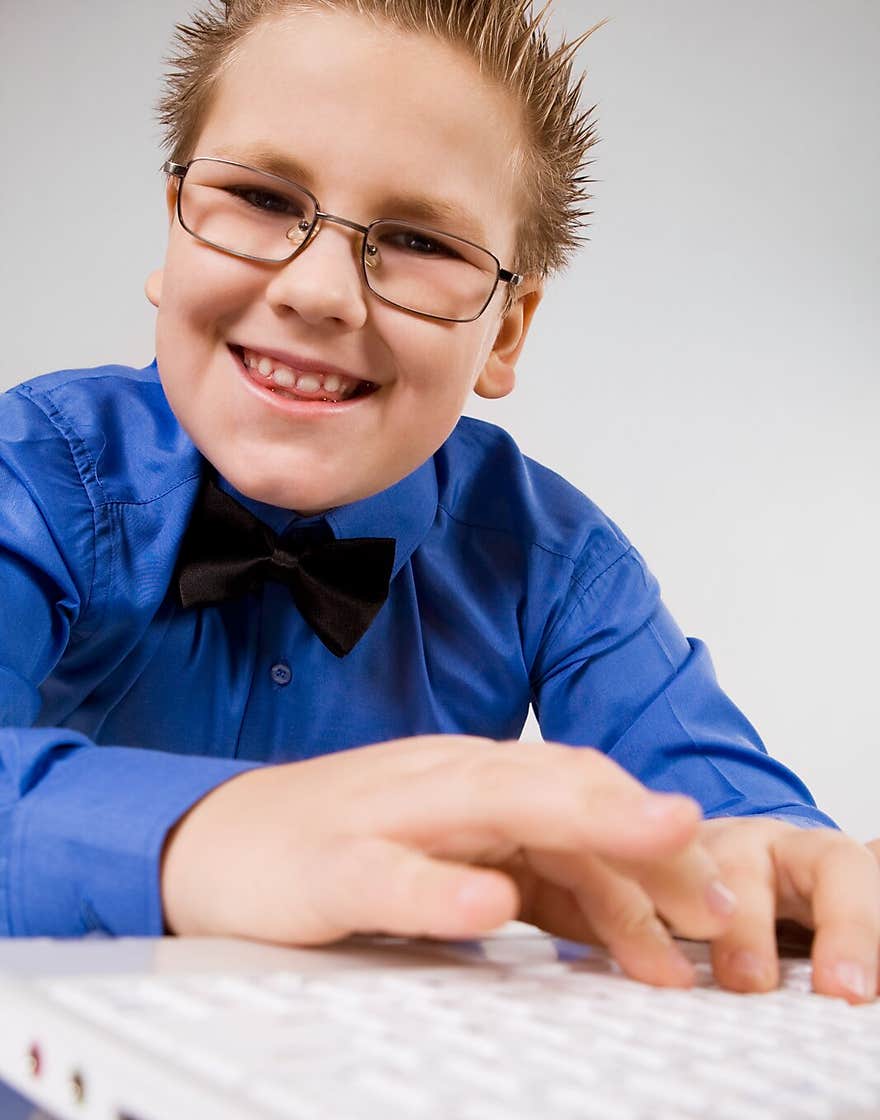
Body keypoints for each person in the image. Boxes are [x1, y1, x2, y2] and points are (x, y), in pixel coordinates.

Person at [1, 0, 877, 1003]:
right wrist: (216, 835)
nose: (319, 291)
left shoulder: (555, 562)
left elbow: (723, 818)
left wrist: (776, 867)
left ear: (506, 334)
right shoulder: (36, 470)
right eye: (259, 194)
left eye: (417, 238)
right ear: (174, 229)